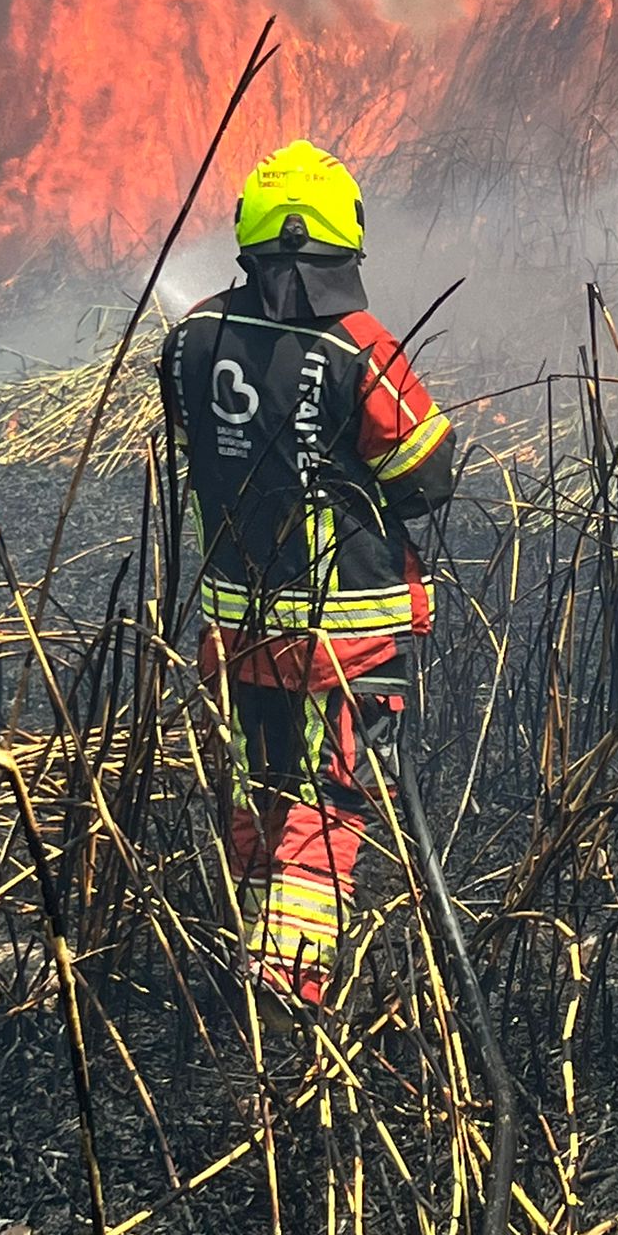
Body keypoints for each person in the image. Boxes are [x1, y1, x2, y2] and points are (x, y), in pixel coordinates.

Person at [159, 140, 455, 1030]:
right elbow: (428, 474)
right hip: (341, 633)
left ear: (248, 237)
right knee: (331, 801)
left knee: (256, 782)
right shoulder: (359, 347)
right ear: (345, 241)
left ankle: (242, 951)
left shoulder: (190, 338)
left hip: (232, 619)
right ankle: (290, 992)